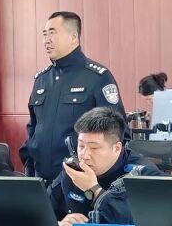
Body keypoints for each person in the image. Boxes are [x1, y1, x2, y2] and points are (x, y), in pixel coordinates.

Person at [20, 11, 126, 183]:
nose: (47, 40)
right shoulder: (42, 79)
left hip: (79, 179)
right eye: (44, 34)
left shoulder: (97, 77)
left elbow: (117, 132)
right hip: (41, 178)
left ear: (74, 37)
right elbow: (33, 127)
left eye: (52, 33)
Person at [48, 106, 162, 226]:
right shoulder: (74, 171)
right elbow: (41, 213)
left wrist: (94, 189)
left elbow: (142, 224)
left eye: (94, 148)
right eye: (81, 146)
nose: (84, 155)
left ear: (117, 148)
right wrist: (60, 225)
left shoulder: (143, 174)